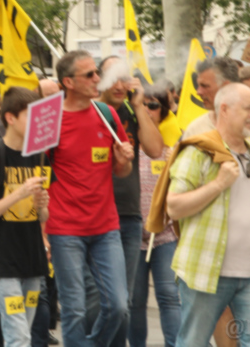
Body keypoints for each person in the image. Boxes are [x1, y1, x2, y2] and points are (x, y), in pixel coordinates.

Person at [167, 83, 250, 347]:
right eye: (248, 108)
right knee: (193, 342)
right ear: (224, 110)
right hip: (205, 272)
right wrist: (218, 184)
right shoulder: (198, 152)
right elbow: (173, 207)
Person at [48, 50, 133, 347]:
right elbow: (36, 173)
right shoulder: (50, 119)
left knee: (119, 306)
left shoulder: (106, 114)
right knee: (73, 309)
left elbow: (122, 171)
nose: (98, 78)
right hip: (64, 229)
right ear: (68, 82)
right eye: (89, 75)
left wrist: (124, 161)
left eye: (97, 72)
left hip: (105, 227)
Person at [0, 87, 50, 347]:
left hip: (33, 260)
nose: (38, 124)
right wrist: (18, 194)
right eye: (31, 116)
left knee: (24, 332)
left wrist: (42, 205)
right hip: (2, 261)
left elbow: (42, 215)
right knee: (17, 335)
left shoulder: (40, 157)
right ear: (11, 118)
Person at [96, 56, 163, 346]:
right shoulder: (93, 112)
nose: (120, 84)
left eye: (125, 78)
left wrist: (139, 105)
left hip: (129, 216)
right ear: (98, 79)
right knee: (101, 298)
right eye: (113, 77)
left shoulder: (134, 114)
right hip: (96, 217)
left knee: (125, 298)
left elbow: (155, 148)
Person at [129, 85, 181, 347]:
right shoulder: (126, 141)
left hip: (165, 234)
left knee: (170, 296)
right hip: (132, 236)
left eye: (153, 106)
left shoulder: (173, 146)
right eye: (143, 105)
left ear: (164, 110)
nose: (148, 110)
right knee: (134, 301)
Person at [183, 57, 240, 139]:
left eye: (204, 86)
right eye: (198, 85)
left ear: (226, 86)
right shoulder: (195, 131)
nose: (198, 92)